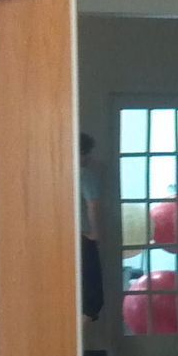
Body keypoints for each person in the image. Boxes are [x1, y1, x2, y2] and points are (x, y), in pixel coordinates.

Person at [79, 133, 105, 320]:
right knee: (92, 295)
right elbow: (92, 205)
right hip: (85, 236)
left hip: (71, 236)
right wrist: (95, 232)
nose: (89, 157)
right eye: (86, 152)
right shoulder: (85, 175)